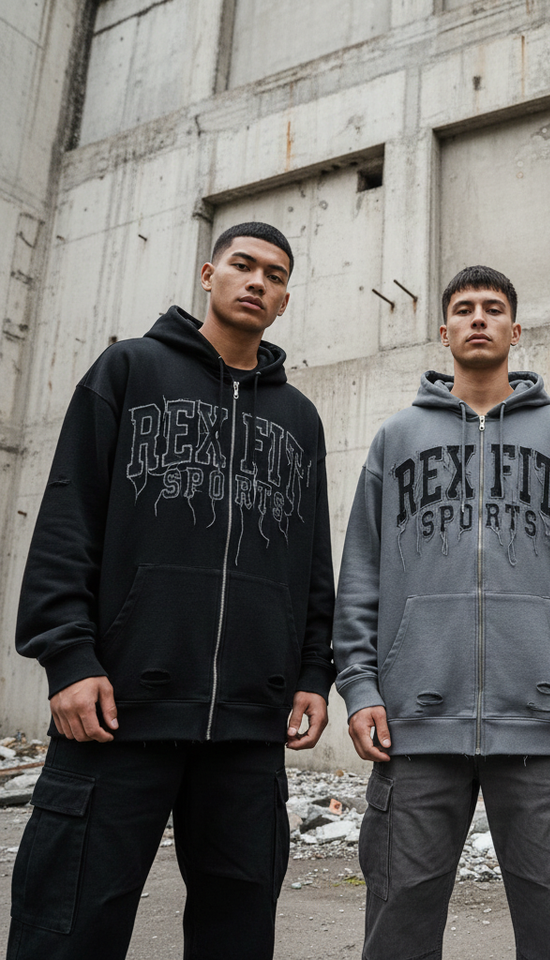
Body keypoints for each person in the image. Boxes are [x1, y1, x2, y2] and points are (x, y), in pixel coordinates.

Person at [7, 222, 335, 960]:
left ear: (285, 300)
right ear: (209, 274)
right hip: (116, 709)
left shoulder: (298, 418)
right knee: (68, 928)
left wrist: (314, 673)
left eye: (276, 275)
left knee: (236, 935)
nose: (258, 281)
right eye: (243, 265)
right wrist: (68, 657)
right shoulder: (130, 369)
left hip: (249, 725)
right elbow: (68, 518)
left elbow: (312, 560)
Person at [333, 265, 550, 960]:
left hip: (543, 724)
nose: (477, 318)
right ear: (444, 332)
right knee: (398, 929)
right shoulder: (396, 438)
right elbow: (361, 574)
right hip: (413, 725)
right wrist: (360, 687)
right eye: (463, 308)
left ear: (514, 330)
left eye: (492, 308)